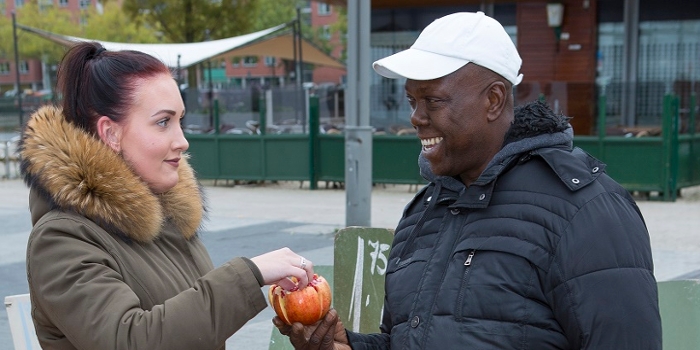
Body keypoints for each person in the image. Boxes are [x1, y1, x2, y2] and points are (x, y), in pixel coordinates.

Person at [274, 11, 662, 349]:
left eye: (433, 101)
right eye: (412, 101)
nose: (416, 117)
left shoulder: (586, 209)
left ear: (493, 100)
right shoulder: (424, 211)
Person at [19, 41, 315, 349]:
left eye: (180, 120)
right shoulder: (61, 239)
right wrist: (249, 274)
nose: (183, 141)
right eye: (163, 122)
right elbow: (129, 340)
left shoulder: (167, 217)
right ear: (111, 134)